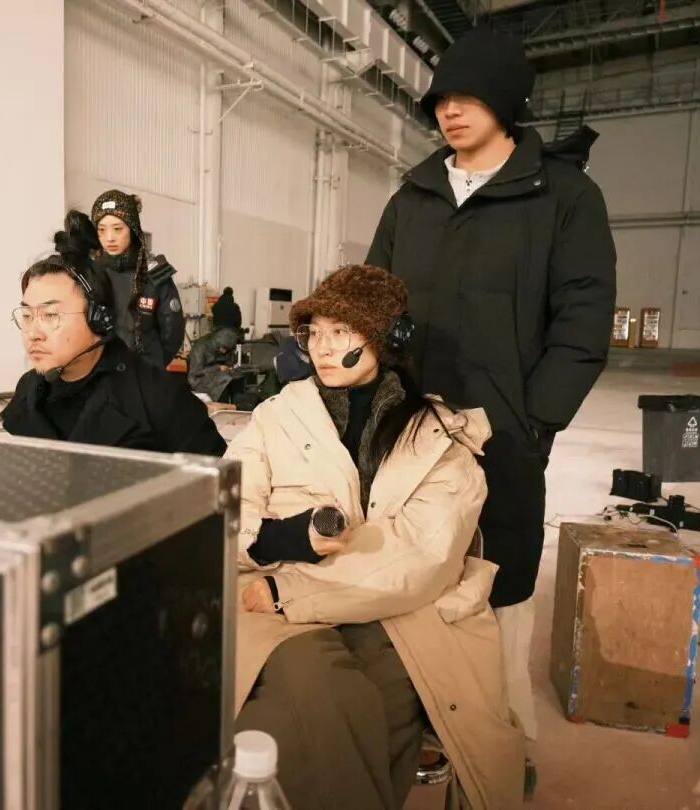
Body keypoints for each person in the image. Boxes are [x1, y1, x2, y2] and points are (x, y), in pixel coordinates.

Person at [366, 27, 616, 740]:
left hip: (503, 432)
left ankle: (505, 739)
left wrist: (535, 421)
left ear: (507, 100)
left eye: (468, 96)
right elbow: (373, 302)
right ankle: (423, 724)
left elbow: (583, 318)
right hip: (410, 427)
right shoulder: (413, 197)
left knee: (501, 578)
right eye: (441, 99)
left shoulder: (563, 196)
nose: (450, 110)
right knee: (408, 568)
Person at [227, 265, 524, 810]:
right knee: (320, 697)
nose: (322, 347)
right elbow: (230, 507)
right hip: (282, 608)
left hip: (395, 613)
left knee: (366, 714)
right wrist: (281, 541)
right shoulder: (275, 416)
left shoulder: (440, 437)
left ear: (388, 337)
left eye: (341, 331)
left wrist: (289, 591)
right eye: (314, 332)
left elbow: (422, 559)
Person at [1, 212, 226, 457]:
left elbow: (217, 474)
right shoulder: (29, 391)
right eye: (27, 316)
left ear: (98, 318)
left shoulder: (158, 397)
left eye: (50, 315)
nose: (33, 333)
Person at [91, 189, 185, 369]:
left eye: (118, 229)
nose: (109, 238)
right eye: (101, 230)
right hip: (102, 373)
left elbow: (172, 331)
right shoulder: (90, 273)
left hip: (145, 373)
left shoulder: (154, 274)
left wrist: (153, 363)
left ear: (133, 229)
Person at [187, 287, 243, 402]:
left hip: (222, 383)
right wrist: (217, 369)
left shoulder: (232, 346)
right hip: (201, 388)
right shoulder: (200, 347)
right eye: (221, 347)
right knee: (223, 381)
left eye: (227, 349)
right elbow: (193, 376)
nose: (224, 351)